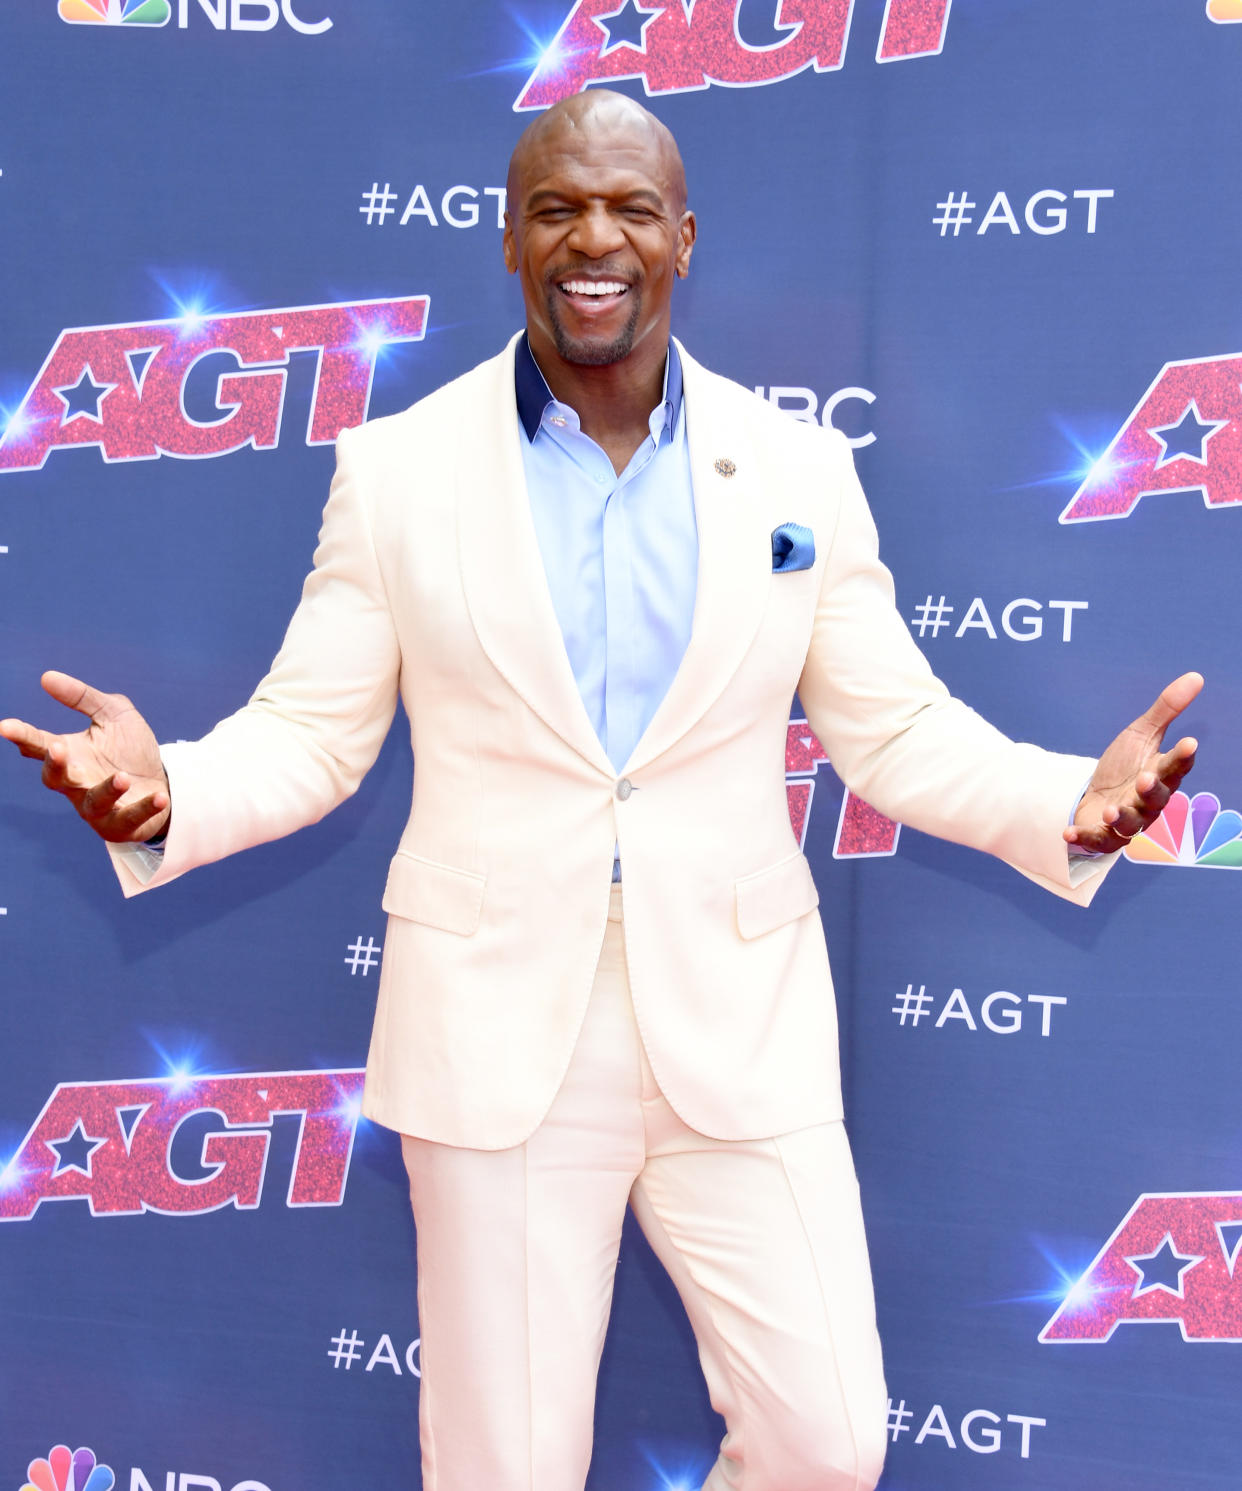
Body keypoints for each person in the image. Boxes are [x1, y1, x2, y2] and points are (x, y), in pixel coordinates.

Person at [1, 90, 1200, 1491]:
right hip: (496, 1033)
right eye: (558, 205)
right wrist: (171, 799)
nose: (595, 236)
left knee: (825, 1441)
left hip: (740, 1032)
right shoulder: (396, 474)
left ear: (682, 239)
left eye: (629, 207)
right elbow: (314, 736)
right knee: (503, 1467)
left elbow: (894, 733)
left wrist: (1068, 800)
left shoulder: (797, 468)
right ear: (508, 238)